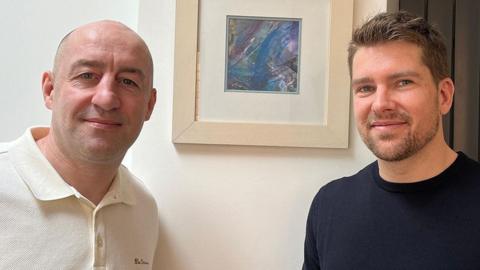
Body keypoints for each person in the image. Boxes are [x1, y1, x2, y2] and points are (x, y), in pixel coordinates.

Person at [303, 11, 480, 269]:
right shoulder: (330, 204)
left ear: (443, 96)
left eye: (403, 82)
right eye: (365, 88)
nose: (381, 104)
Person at [0, 20, 158, 269]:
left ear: (149, 105)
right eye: (87, 76)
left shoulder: (142, 208)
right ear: (50, 90)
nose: (106, 98)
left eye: (128, 81)